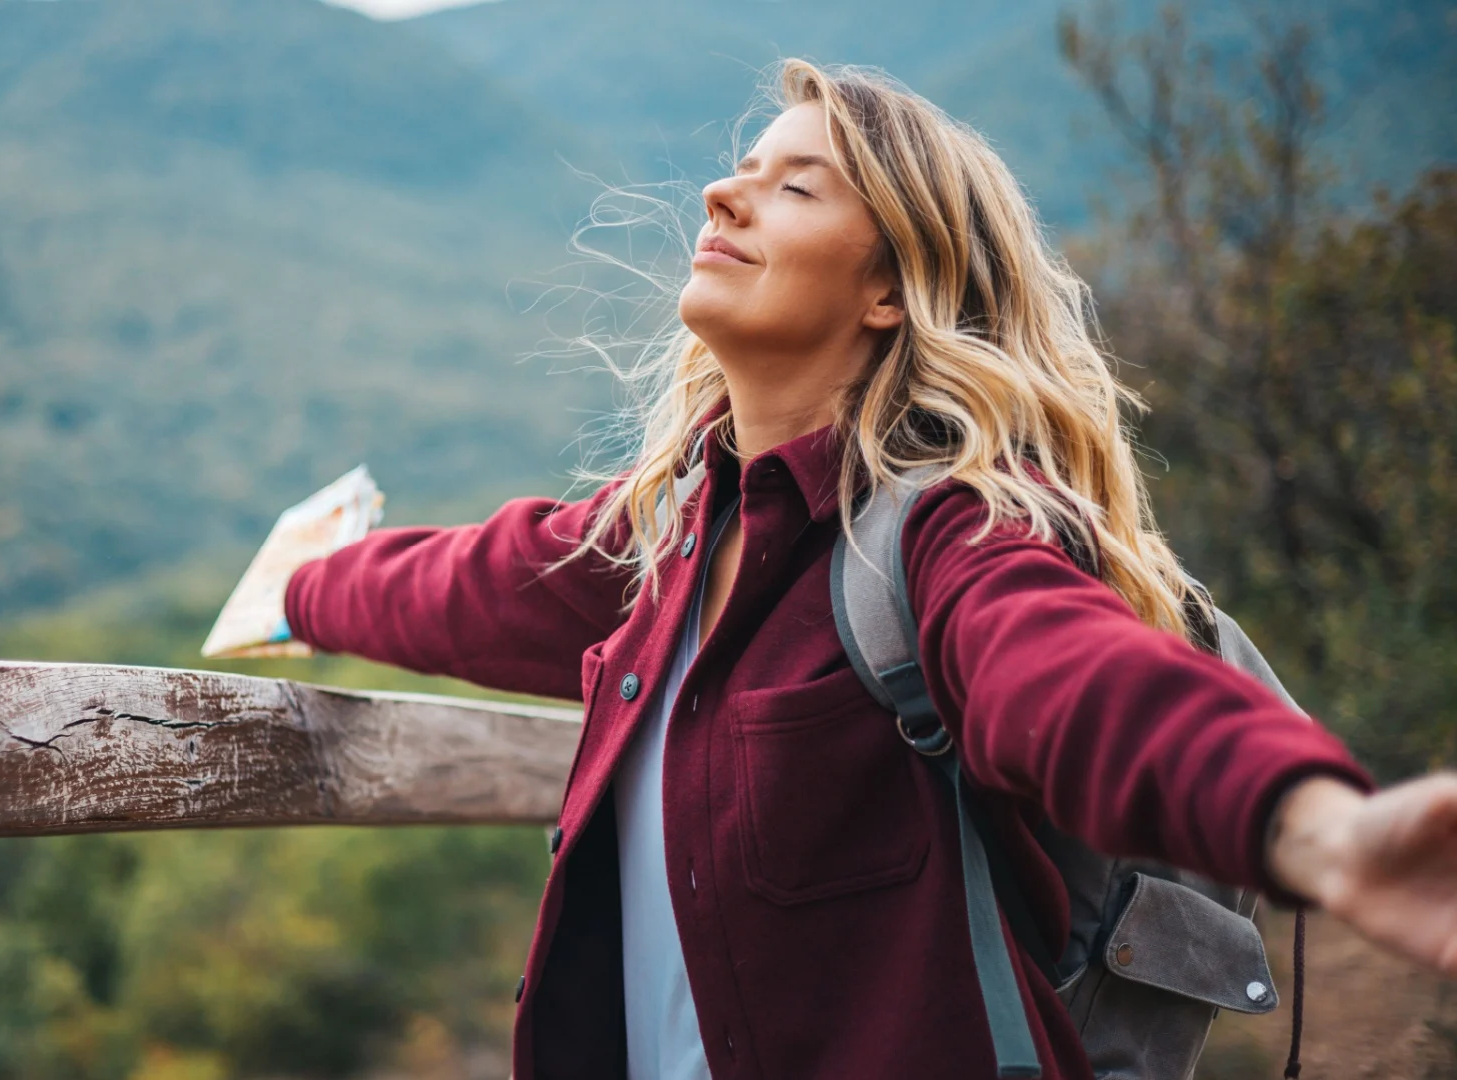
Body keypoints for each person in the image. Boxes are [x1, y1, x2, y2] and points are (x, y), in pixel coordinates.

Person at [277, 61, 1457, 1078]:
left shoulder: (957, 530)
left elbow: (1077, 678)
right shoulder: (665, 537)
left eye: (795, 186)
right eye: (747, 167)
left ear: (892, 289)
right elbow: (466, 586)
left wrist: (1316, 831)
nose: (721, 193)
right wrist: (295, 588)